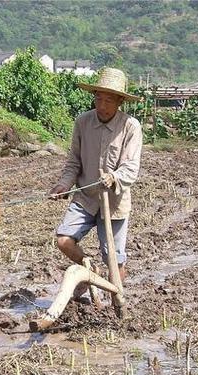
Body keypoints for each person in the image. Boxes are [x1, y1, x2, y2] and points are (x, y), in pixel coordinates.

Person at [48, 67, 143, 298]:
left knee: (114, 260)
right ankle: (88, 266)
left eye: (109, 100)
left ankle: (116, 302)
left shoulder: (131, 127)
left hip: (115, 202)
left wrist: (114, 177)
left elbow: (131, 168)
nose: (102, 105)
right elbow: (74, 162)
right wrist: (64, 184)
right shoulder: (83, 122)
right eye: (98, 98)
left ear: (120, 101)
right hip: (86, 198)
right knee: (63, 241)